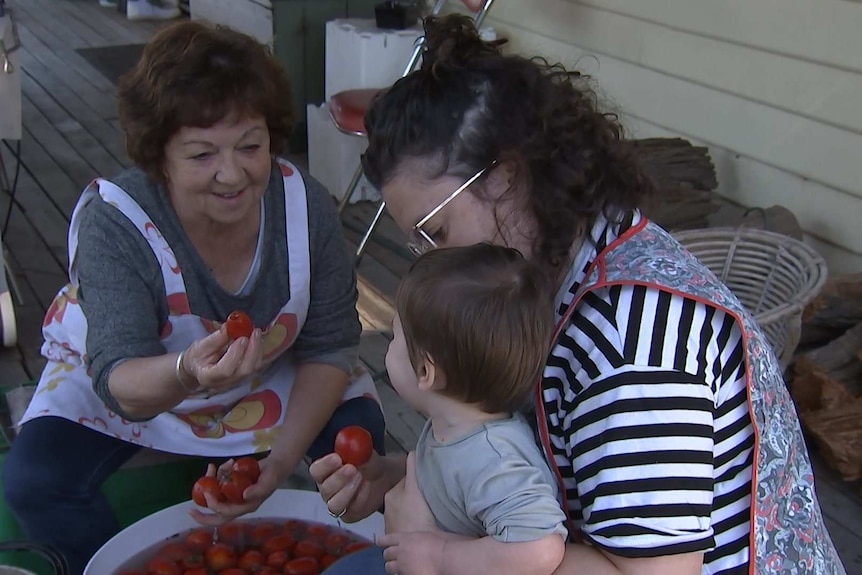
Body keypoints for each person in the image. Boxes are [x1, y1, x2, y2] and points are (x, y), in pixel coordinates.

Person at [311, 13, 845, 575]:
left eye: (436, 231)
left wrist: (442, 548)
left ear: (507, 175)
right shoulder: (567, 257)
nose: (431, 260)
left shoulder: (627, 344)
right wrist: (415, 481)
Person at [1, 21, 385, 575]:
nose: (232, 173)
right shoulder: (118, 222)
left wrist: (275, 469)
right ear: (158, 156)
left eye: (250, 146)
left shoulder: (307, 208)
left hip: (270, 373)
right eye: (202, 154)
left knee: (360, 452)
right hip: (137, 382)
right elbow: (117, 378)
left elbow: (328, 347)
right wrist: (185, 372)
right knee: (35, 482)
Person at [364, 244, 568, 575]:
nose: (390, 345)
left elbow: (540, 547)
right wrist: (391, 472)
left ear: (426, 372)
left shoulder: (493, 459)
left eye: (395, 336)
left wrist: (440, 556)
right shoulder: (458, 429)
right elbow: (452, 489)